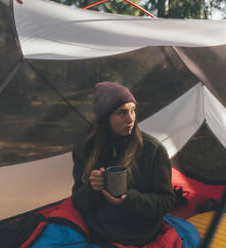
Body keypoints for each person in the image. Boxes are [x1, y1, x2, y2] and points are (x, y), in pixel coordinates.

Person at [71, 82, 175, 246]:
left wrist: (130, 199)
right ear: (105, 118)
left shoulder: (153, 150)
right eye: (122, 113)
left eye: (133, 110)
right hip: (99, 232)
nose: (130, 119)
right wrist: (92, 188)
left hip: (139, 232)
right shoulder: (85, 149)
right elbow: (78, 201)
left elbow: (167, 201)